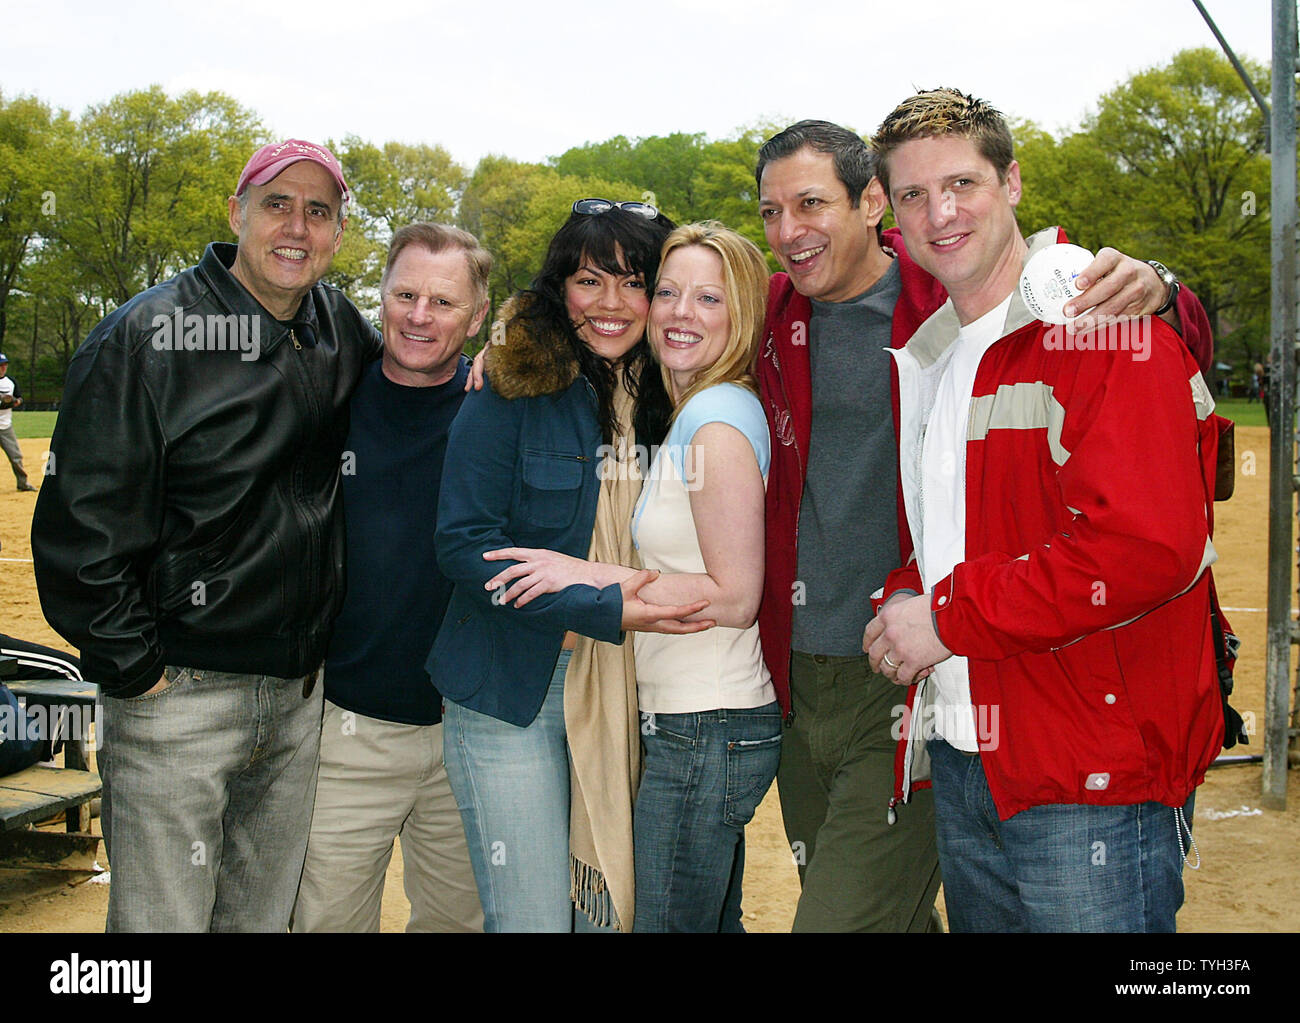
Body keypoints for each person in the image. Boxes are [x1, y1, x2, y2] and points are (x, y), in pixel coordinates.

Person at [752, 119, 1213, 932]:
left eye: (961, 183)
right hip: (965, 754)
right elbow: (946, 531)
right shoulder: (934, 352)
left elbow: (1147, 547)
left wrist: (1168, 289)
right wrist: (909, 592)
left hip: (1088, 771)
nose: (940, 213)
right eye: (917, 195)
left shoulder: (1101, 321)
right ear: (894, 207)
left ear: (1013, 184)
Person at [31, 138, 380, 932]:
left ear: (335, 232)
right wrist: (137, 670)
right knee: (161, 928)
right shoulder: (146, 336)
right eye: (277, 204)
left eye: (318, 211)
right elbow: (78, 527)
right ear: (237, 213)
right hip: (178, 694)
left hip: (296, 697)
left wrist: (491, 364)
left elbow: (410, 382)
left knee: (259, 921)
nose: (297, 225)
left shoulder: (337, 327)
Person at [485, 222, 778, 931]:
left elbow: (735, 595)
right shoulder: (687, 410)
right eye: (669, 291)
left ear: (740, 312)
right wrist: (507, 336)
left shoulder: (716, 420)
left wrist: (579, 576)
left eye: (709, 298)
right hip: (689, 720)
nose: (681, 312)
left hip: (709, 724)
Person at [428, 200, 710, 932]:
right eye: (590, 281)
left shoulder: (679, 395)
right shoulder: (512, 388)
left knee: (604, 917)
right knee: (531, 920)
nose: (611, 305)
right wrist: (600, 604)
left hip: (630, 685)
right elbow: (465, 544)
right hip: (510, 693)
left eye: (634, 282)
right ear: (561, 288)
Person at [291, 224, 489, 933]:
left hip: (470, 732)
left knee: (460, 925)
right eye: (404, 294)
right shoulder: (326, 395)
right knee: (324, 923)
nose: (418, 315)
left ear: (477, 317)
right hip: (346, 729)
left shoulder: (501, 408)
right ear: (380, 296)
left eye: (442, 301)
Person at [0, 354, 36, 492]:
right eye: (0, 365)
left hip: (5, 426)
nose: (3, 368)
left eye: (5, 365)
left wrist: (15, 401)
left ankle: (22, 483)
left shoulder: (11, 382)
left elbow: (19, 398)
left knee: (15, 456)